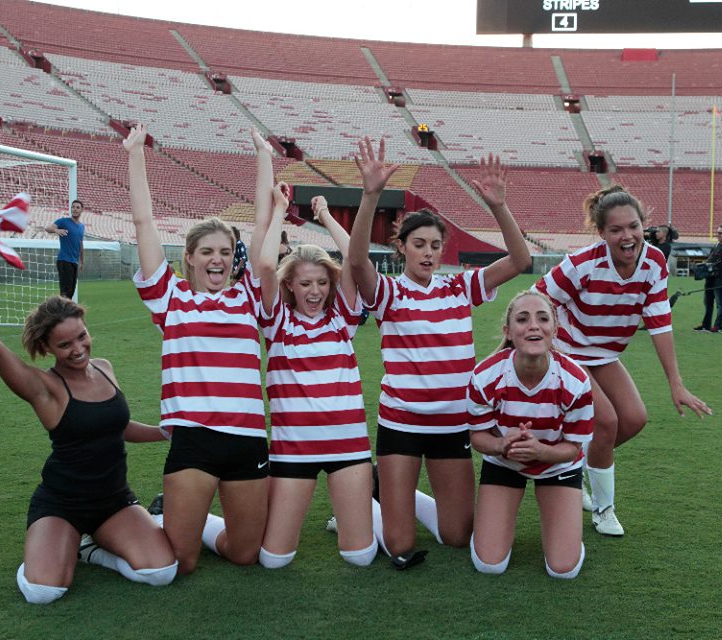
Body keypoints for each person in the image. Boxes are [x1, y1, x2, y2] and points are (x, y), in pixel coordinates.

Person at [0, 255, 177, 604]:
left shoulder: (105, 367)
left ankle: (90, 550)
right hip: (62, 503)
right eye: (65, 345)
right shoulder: (44, 388)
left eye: (82, 336)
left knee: (160, 572)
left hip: (113, 500)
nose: (78, 349)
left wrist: (164, 432)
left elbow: (116, 428)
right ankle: (54, 548)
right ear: (46, 348)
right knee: (43, 591)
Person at [348, 137, 531, 561]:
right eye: (419, 245)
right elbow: (357, 264)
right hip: (402, 425)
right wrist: (370, 195)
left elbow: (520, 261)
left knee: (455, 536)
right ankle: (364, 503)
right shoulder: (389, 292)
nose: (428, 253)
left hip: (453, 424)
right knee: (399, 545)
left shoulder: (459, 287)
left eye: (435, 245)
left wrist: (499, 207)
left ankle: (390, 492)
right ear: (402, 248)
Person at [124, 124, 269, 575]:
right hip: (193, 437)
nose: (217, 260)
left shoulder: (249, 296)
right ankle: (152, 521)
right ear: (189, 257)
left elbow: (264, 221)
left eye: (225, 251)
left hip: (246, 438)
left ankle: (191, 519)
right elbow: (144, 222)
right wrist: (135, 153)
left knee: (244, 553)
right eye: (207, 251)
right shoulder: (171, 298)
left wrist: (264, 156)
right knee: (181, 563)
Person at [535, 185, 711, 537]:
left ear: (644, 224)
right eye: (615, 230)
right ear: (602, 234)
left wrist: (676, 384)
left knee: (633, 419)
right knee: (607, 422)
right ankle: (603, 510)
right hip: (568, 352)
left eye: (633, 226)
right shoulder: (583, 264)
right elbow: (536, 299)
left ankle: (566, 462)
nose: (627, 236)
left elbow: (659, 321)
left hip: (604, 354)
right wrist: (530, 350)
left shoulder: (654, 262)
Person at [253, 181, 376, 569]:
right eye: (305, 283)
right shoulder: (278, 323)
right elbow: (267, 265)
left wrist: (324, 216)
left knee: (360, 556)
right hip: (294, 450)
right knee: (274, 559)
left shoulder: (342, 320)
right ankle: (175, 515)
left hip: (349, 447)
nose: (315, 291)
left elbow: (357, 260)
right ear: (290, 285)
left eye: (323, 282)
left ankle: (361, 511)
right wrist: (279, 209)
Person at [467, 290, 593, 579]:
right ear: (508, 332)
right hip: (504, 464)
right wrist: (501, 445)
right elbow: (478, 437)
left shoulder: (576, 382)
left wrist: (542, 452)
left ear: (554, 330)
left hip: (558, 466)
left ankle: (567, 529)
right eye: (522, 319)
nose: (533, 325)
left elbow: (573, 448)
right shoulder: (485, 376)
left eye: (542, 318)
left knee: (564, 570)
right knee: (489, 565)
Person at [694, 223, 722, 334]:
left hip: (720, 278)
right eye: (717, 232)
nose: (717, 235)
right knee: (707, 302)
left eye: (720, 233)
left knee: (720, 303)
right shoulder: (717, 244)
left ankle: (718, 326)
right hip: (710, 277)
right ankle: (706, 325)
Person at [45, 200, 85, 299]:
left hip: (74, 261)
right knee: (65, 292)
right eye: (73, 207)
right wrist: (56, 230)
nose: (75, 209)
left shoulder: (81, 227)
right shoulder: (64, 221)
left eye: (77, 207)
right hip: (64, 260)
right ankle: (62, 313)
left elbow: (80, 243)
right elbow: (48, 228)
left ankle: (65, 313)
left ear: (81, 210)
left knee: (71, 291)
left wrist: (82, 260)